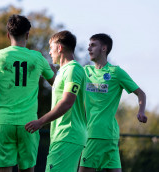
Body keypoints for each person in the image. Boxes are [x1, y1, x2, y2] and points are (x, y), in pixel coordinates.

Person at [0, 14, 55, 172]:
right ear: (27, 34)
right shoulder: (37, 58)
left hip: (4, 123)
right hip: (29, 124)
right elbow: (56, 83)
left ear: (7, 35)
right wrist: (51, 68)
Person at [79, 33, 148, 172]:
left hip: (99, 134)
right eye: (88, 45)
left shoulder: (116, 72)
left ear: (104, 48)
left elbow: (141, 93)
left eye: (93, 45)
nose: (89, 49)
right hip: (100, 134)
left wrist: (141, 111)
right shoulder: (85, 71)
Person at [25, 30, 87, 172]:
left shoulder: (73, 70)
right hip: (62, 135)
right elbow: (59, 86)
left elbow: (67, 102)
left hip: (68, 135)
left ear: (60, 48)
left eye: (51, 47)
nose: (49, 51)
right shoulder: (63, 71)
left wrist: (40, 122)